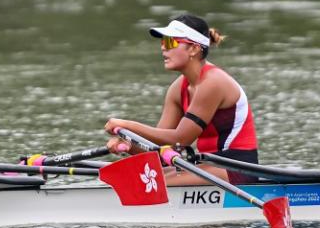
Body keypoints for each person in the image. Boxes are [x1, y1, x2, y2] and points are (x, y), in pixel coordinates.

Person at [104, 14, 259, 185]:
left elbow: (180, 139)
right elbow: (158, 150)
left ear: (193, 49)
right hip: (207, 165)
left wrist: (127, 125)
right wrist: (128, 145)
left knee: (150, 180)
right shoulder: (177, 89)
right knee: (141, 174)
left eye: (170, 42)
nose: (163, 48)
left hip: (237, 169)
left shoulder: (213, 83)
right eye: (162, 42)